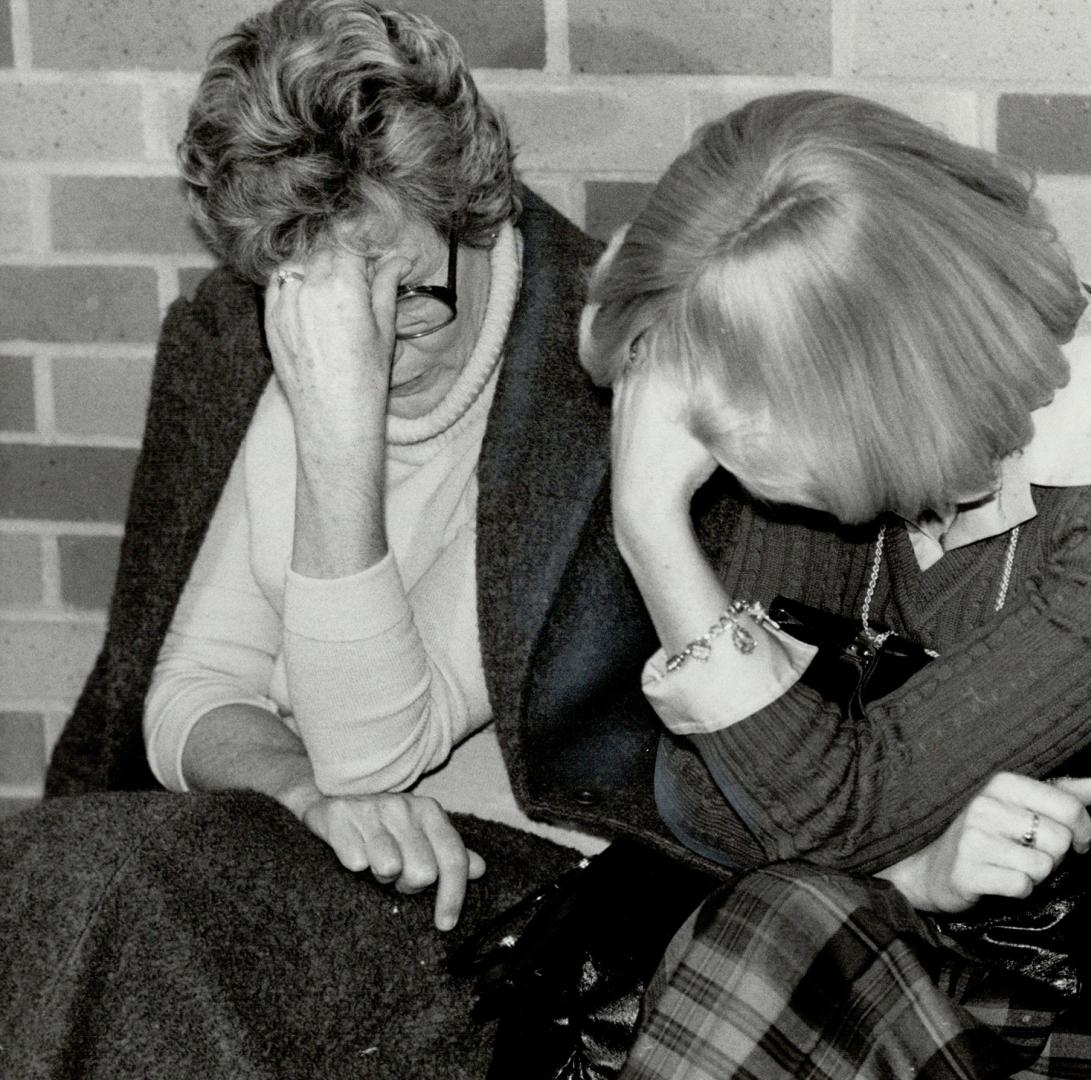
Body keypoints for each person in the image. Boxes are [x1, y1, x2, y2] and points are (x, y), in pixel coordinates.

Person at [578, 90, 1091, 1077]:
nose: (722, 468)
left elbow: (824, 812)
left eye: (733, 437)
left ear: (873, 393)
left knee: (775, 934)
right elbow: (707, 797)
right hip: (973, 962)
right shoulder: (845, 473)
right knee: (777, 922)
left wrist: (650, 530)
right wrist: (919, 875)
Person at [1, 2, 710, 1075]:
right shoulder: (240, 341)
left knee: (116, 899)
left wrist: (339, 433)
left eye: (405, 292)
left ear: (478, 214)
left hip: (507, 904)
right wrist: (298, 794)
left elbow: (376, 751)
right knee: (69, 881)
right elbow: (188, 694)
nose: (369, 338)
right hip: (301, 836)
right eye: (316, 292)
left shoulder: (593, 384)